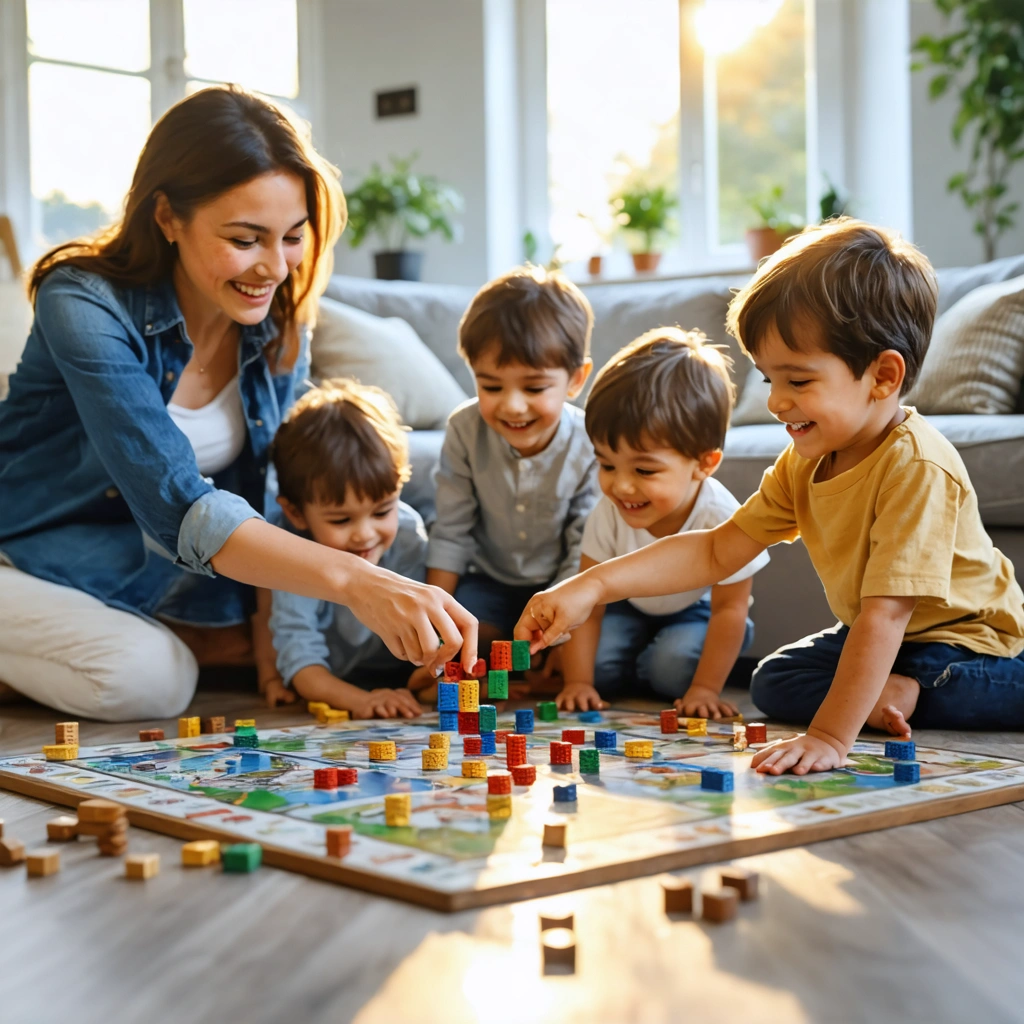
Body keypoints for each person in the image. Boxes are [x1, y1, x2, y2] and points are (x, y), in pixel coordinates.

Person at [0, 86, 475, 722]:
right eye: (246, 239)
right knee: (153, 678)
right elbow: (176, 500)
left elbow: (283, 489)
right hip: (24, 551)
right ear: (167, 217)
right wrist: (358, 581)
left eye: (292, 237)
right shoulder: (83, 302)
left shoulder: (276, 320)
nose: (275, 268)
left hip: (149, 571)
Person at [515, 218, 1024, 775]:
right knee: (774, 681)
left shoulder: (917, 467)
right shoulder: (804, 460)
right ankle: (890, 690)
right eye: (769, 380)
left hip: (965, 641)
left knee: (948, 677)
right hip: (875, 635)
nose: (778, 401)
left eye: (797, 381)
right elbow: (716, 550)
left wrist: (829, 737)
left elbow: (885, 615)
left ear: (882, 376)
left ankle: (910, 691)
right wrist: (592, 584)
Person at [555, 328, 768, 714]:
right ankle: (640, 662)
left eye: (645, 470)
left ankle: (651, 663)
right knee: (595, 669)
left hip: (697, 612)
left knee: (672, 670)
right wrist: (578, 682)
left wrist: (704, 689)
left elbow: (730, 610)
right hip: (626, 608)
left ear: (704, 464)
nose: (621, 486)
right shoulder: (608, 512)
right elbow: (590, 605)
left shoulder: (722, 516)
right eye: (607, 465)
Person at [421, 264, 598, 667]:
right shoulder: (464, 429)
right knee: (470, 646)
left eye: (534, 388)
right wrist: (436, 632)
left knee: (584, 659)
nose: (513, 406)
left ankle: (533, 658)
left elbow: (584, 547)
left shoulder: (591, 440)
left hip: (560, 584)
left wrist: (560, 622)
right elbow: (451, 532)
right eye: (491, 386)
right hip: (488, 582)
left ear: (575, 380)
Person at [268, 379, 428, 718]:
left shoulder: (408, 535)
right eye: (341, 520)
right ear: (296, 513)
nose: (365, 535)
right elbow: (301, 664)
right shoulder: (292, 553)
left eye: (382, 512)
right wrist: (361, 701)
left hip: (394, 670)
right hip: (332, 676)